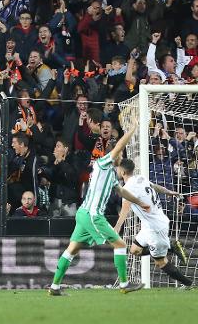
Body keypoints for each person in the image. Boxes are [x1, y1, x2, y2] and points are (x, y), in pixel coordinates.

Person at [48, 120, 148, 295]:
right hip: (93, 215)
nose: (121, 156)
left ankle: (54, 287)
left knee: (72, 250)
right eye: (120, 154)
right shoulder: (102, 163)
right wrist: (132, 129)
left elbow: (122, 192)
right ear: (114, 155)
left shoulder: (110, 175)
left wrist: (140, 203)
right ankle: (124, 285)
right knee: (120, 244)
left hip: (83, 214)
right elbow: (117, 147)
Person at [114, 159, 192, 287]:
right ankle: (171, 247)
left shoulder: (127, 188)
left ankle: (188, 284)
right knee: (135, 250)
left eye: (117, 168)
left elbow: (125, 208)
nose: (116, 170)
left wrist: (117, 227)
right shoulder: (141, 178)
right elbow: (155, 186)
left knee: (161, 262)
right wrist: (168, 192)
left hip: (156, 228)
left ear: (122, 171)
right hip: (148, 225)